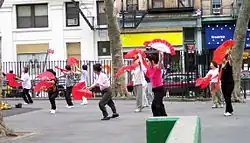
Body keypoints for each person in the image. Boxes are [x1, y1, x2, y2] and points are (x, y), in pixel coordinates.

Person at [147, 52, 167, 116]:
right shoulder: (149, 69)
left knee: (155, 105)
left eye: (148, 61)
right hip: (155, 90)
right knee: (159, 104)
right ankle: (164, 116)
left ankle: (157, 118)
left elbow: (160, 63)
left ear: (152, 61)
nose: (147, 63)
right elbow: (143, 65)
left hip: (160, 89)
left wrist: (161, 56)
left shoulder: (157, 67)